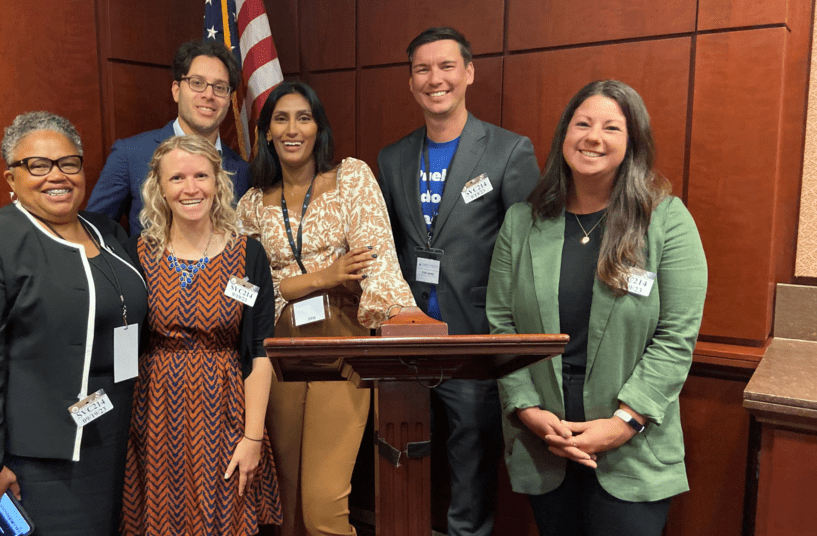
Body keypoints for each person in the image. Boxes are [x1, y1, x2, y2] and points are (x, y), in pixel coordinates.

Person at [486, 80, 708, 536]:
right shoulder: (522, 222)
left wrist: (624, 422)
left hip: (632, 443)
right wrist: (528, 410)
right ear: (564, 133)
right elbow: (501, 326)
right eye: (582, 123)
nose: (593, 137)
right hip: (546, 438)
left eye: (612, 128)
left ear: (632, 144)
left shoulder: (666, 220)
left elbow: (676, 336)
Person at [0, 111, 149, 536]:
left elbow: (126, 320)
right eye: (37, 165)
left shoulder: (107, 231)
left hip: (111, 444)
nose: (57, 175)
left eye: (69, 163)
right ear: (11, 177)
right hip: (32, 459)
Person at [376, 27, 540, 536]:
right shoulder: (392, 158)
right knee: (402, 463)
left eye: (446, 66)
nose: (435, 78)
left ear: (469, 73)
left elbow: (530, 253)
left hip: (474, 338)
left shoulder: (509, 153)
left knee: (470, 474)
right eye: (422, 69)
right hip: (405, 341)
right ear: (410, 83)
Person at [237, 80, 417, 536]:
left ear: (319, 127)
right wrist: (320, 278)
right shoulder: (252, 204)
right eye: (281, 119)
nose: (293, 128)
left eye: (304, 117)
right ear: (267, 132)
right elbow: (239, 289)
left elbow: (374, 258)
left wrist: (401, 326)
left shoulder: (351, 177)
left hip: (344, 343)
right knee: (284, 498)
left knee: (321, 504)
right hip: (278, 350)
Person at [121, 134, 282, 536]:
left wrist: (253, 438)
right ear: (159, 188)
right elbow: (123, 343)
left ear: (218, 183)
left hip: (227, 409)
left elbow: (261, 351)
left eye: (200, 176)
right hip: (156, 414)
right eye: (177, 178)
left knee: (226, 517)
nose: (190, 188)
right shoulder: (138, 253)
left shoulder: (248, 254)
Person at [87, 39, 252, 233]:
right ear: (176, 90)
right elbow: (94, 232)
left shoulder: (242, 170)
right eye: (197, 83)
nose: (209, 95)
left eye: (220, 87)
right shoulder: (130, 155)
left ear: (228, 98)